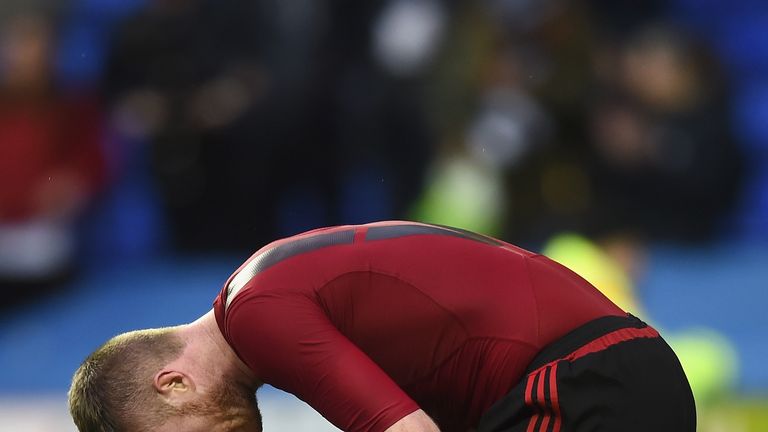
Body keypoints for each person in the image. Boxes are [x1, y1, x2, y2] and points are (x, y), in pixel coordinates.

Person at [68, 221, 695, 432]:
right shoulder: (261, 292)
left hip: (586, 382)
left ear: (172, 385)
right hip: (614, 374)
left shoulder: (257, 318)